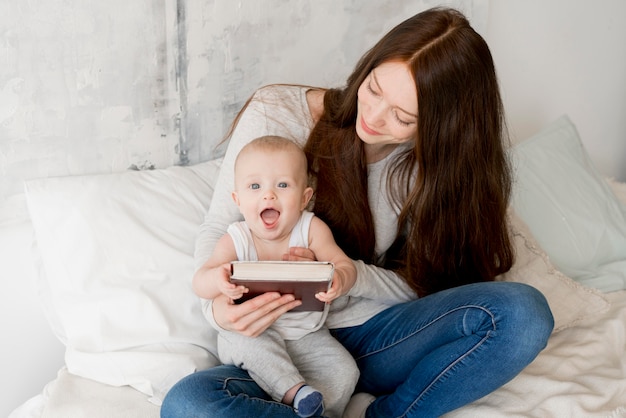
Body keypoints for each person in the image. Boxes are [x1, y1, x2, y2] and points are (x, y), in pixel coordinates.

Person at [161, 6, 554, 418]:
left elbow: (428, 288)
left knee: (522, 316)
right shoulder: (277, 112)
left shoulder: (434, 172)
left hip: (377, 338)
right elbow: (221, 228)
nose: (373, 116)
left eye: (402, 117)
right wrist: (219, 310)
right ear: (368, 66)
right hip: (279, 344)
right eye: (374, 89)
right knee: (190, 405)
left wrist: (343, 274)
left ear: (441, 125)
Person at [192, 135, 359, 418]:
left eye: (282, 185)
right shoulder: (236, 238)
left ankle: (322, 410)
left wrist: (340, 278)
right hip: (252, 332)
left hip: (307, 334)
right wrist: (218, 279)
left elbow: (343, 264)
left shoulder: (311, 229)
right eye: (255, 186)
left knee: (345, 370)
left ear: (305, 198)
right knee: (249, 344)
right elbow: (199, 282)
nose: (268, 195)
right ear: (238, 200)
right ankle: (295, 393)